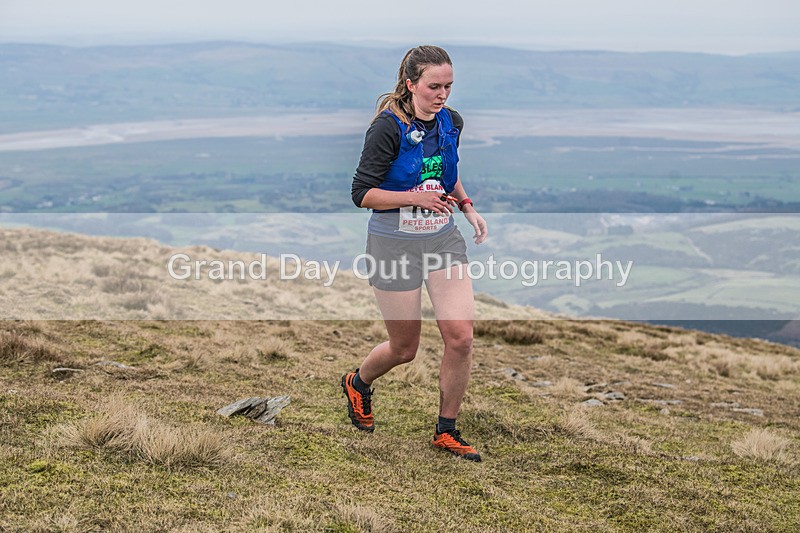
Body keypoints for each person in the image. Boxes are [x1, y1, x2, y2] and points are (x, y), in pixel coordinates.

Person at [342, 45, 488, 462]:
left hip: (442, 239)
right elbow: (361, 194)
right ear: (411, 84)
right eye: (433, 86)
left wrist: (467, 206)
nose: (442, 95)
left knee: (460, 338)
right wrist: (413, 199)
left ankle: (447, 429)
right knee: (404, 348)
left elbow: (446, 176)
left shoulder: (451, 122)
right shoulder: (387, 129)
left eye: (448, 86)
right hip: (393, 243)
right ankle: (358, 382)